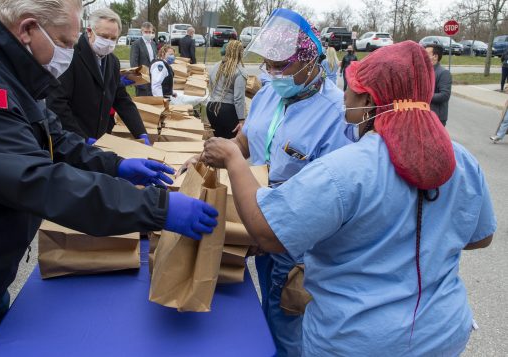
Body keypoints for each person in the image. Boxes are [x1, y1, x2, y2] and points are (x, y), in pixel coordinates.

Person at [0, 1, 220, 355]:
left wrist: (114, 165)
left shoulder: (7, 71)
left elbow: (53, 138)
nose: (70, 52)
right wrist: (158, 207)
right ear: (27, 30)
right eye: (66, 43)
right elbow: (37, 181)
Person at [201, 41, 495, 356]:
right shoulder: (462, 160)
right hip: (443, 332)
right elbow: (480, 236)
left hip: (357, 340)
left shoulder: (346, 169)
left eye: (351, 88)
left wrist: (233, 158)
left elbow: (266, 231)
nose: (343, 95)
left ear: (369, 101)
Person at [181, 10, 351, 356]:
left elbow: (335, 193)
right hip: (257, 222)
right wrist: (207, 157)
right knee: (264, 308)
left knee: (285, 317)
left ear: (311, 62)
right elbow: (247, 142)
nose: (272, 73)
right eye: (268, 64)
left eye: (281, 65)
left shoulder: (337, 114)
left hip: (299, 242)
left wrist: (277, 233)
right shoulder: (269, 93)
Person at [47, 8, 149, 145]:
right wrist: (81, 138)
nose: (108, 42)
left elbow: (121, 99)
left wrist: (140, 132)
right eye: (104, 36)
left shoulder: (112, 62)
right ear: (90, 32)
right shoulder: (70, 55)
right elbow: (56, 102)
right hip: (70, 140)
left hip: (99, 139)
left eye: (113, 38)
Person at [207, 40, 247, 139]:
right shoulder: (239, 71)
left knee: (219, 142)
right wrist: (241, 119)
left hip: (211, 107)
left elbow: (211, 85)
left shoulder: (216, 66)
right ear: (240, 53)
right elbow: (238, 98)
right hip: (227, 110)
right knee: (230, 143)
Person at [425, 43, 452, 126]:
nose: (423, 56)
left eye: (426, 54)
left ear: (435, 56)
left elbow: (444, 95)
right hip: (426, 116)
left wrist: (425, 96)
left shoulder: (444, 73)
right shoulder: (425, 71)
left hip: (437, 118)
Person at [130, 22, 157, 96]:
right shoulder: (136, 44)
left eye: (150, 32)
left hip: (152, 76)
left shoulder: (153, 44)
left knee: (151, 99)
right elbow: (133, 62)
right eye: (146, 32)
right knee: (142, 99)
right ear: (141, 32)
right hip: (141, 76)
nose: (148, 33)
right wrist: (136, 78)